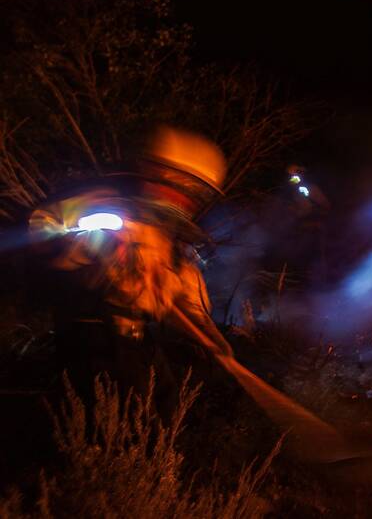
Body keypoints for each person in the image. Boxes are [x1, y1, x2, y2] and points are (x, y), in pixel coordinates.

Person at [29, 127, 349, 460]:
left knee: (163, 408)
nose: (185, 199)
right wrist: (89, 242)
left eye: (195, 192)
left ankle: (145, 474)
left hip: (137, 341)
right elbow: (45, 227)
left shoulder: (166, 235)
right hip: (93, 338)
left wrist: (212, 339)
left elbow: (182, 296)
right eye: (182, 185)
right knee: (114, 425)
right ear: (159, 174)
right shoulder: (107, 204)